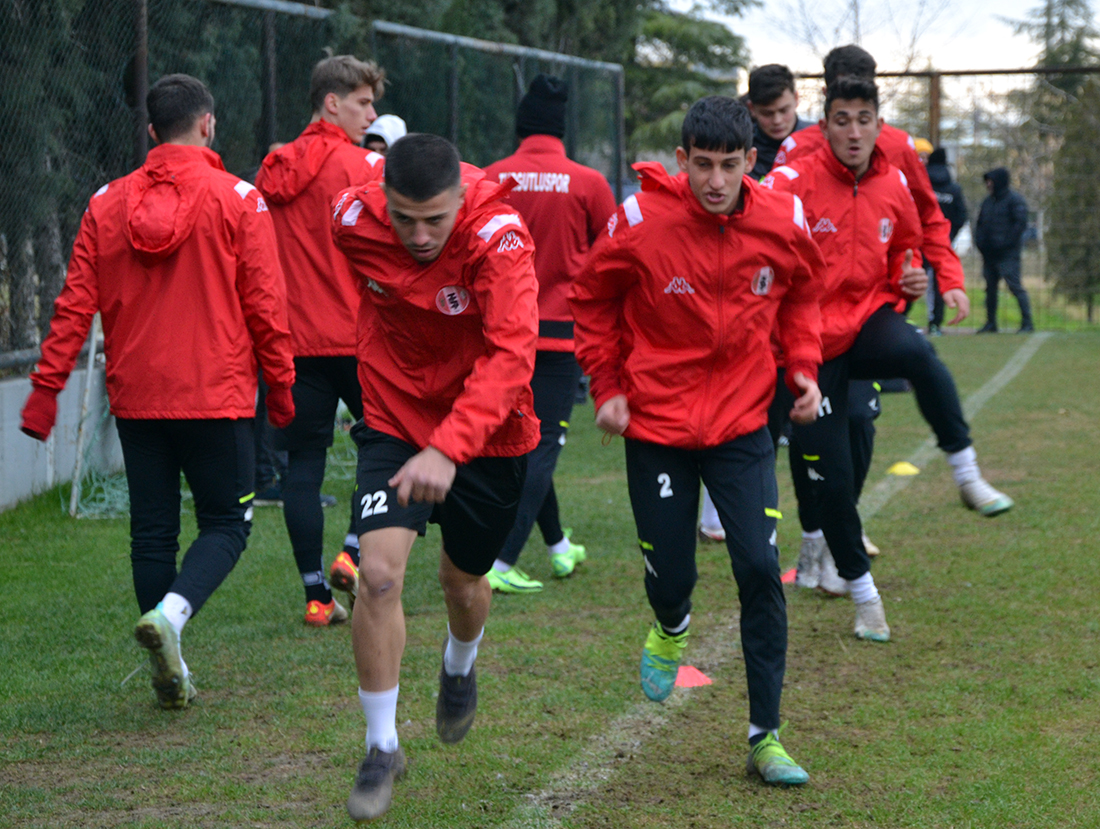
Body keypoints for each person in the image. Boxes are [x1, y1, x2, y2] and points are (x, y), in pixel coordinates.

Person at [572, 95, 825, 786]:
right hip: (655, 425)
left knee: (757, 567)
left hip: (744, 423)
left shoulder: (782, 219)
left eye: (729, 166)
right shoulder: (640, 220)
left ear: (752, 161)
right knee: (674, 573)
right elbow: (589, 297)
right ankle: (671, 623)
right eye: (702, 166)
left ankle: (766, 735)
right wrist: (607, 386)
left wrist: (802, 368)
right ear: (681, 161)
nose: (716, 181)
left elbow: (803, 293)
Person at [20, 74, 295, 710]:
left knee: (152, 535)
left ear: (150, 132)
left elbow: (72, 308)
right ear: (209, 124)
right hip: (216, 396)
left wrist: (46, 393)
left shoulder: (105, 203)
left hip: (138, 399)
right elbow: (267, 308)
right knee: (228, 523)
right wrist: (281, 393)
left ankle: (169, 655)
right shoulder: (240, 199)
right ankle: (171, 621)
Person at [330, 134, 540, 821]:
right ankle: (382, 743)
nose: (418, 236)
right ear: (382, 200)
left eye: (435, 220)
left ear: (460, 199)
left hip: (491, 432)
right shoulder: (351, 221)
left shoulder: (500, 238)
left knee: (463, 582)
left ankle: (459, 663)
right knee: (380, 575)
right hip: (393, 418)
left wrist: (451, 446)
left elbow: (513, 355)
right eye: (403, 218)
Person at [765, 77, 1014, 632]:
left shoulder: (893, 180)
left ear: (881, 125)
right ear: (824, 125)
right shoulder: (793, 179)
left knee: (919, 355)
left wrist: (918, 276)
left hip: (868, 322)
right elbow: (757, 229)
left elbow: (914, 236)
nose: (853, 131)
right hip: (809, 343)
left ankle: (967, 474)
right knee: (832, 481)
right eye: (841, 119)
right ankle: (864, 598)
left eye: (863, 119)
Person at [256, 55, 387, 627]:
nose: (372, 113)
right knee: (385, 447)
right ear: (332, 102)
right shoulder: (363, 166)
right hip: (360, 338)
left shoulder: (270, 169)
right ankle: (353, 551)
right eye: (363, 102)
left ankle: (315, 596)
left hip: (294, 341)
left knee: (302, 466)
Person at [481, 74, 617, 593]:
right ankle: (501, 560)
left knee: (531, 440)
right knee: (541, 450)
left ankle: (559, 547)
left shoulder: (492, 177)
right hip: (562, 338)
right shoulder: (588, 183)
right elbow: (613, 256)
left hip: (502, 334)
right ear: (562, 127)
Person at [974, 167, 1033, 333]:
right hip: (989, 255)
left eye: (990, 181)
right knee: (990, 289)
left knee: (1015, 287)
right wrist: (981, 244)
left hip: (1007, 255)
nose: (988, 184)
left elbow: (1019, 225)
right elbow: (980, 225)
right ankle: (991, 323)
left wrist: (1005, 244)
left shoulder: (1015, 200)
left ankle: (1027, 323)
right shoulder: (987, 202)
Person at [925, 147, 968, 335]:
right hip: (941, 243)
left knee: (909, 278)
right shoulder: (954, 188)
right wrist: (948, 235)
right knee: (940, 284)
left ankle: (900, 318)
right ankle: (935, 324)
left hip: (918, 242)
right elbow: (961, 215)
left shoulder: (923, 183)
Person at [746, 64, 814, 179]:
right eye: (767, 114)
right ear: (752, 108)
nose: (777, 121)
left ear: (796, 98)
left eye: (784, 110)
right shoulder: (742, 148)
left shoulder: (820, 140)